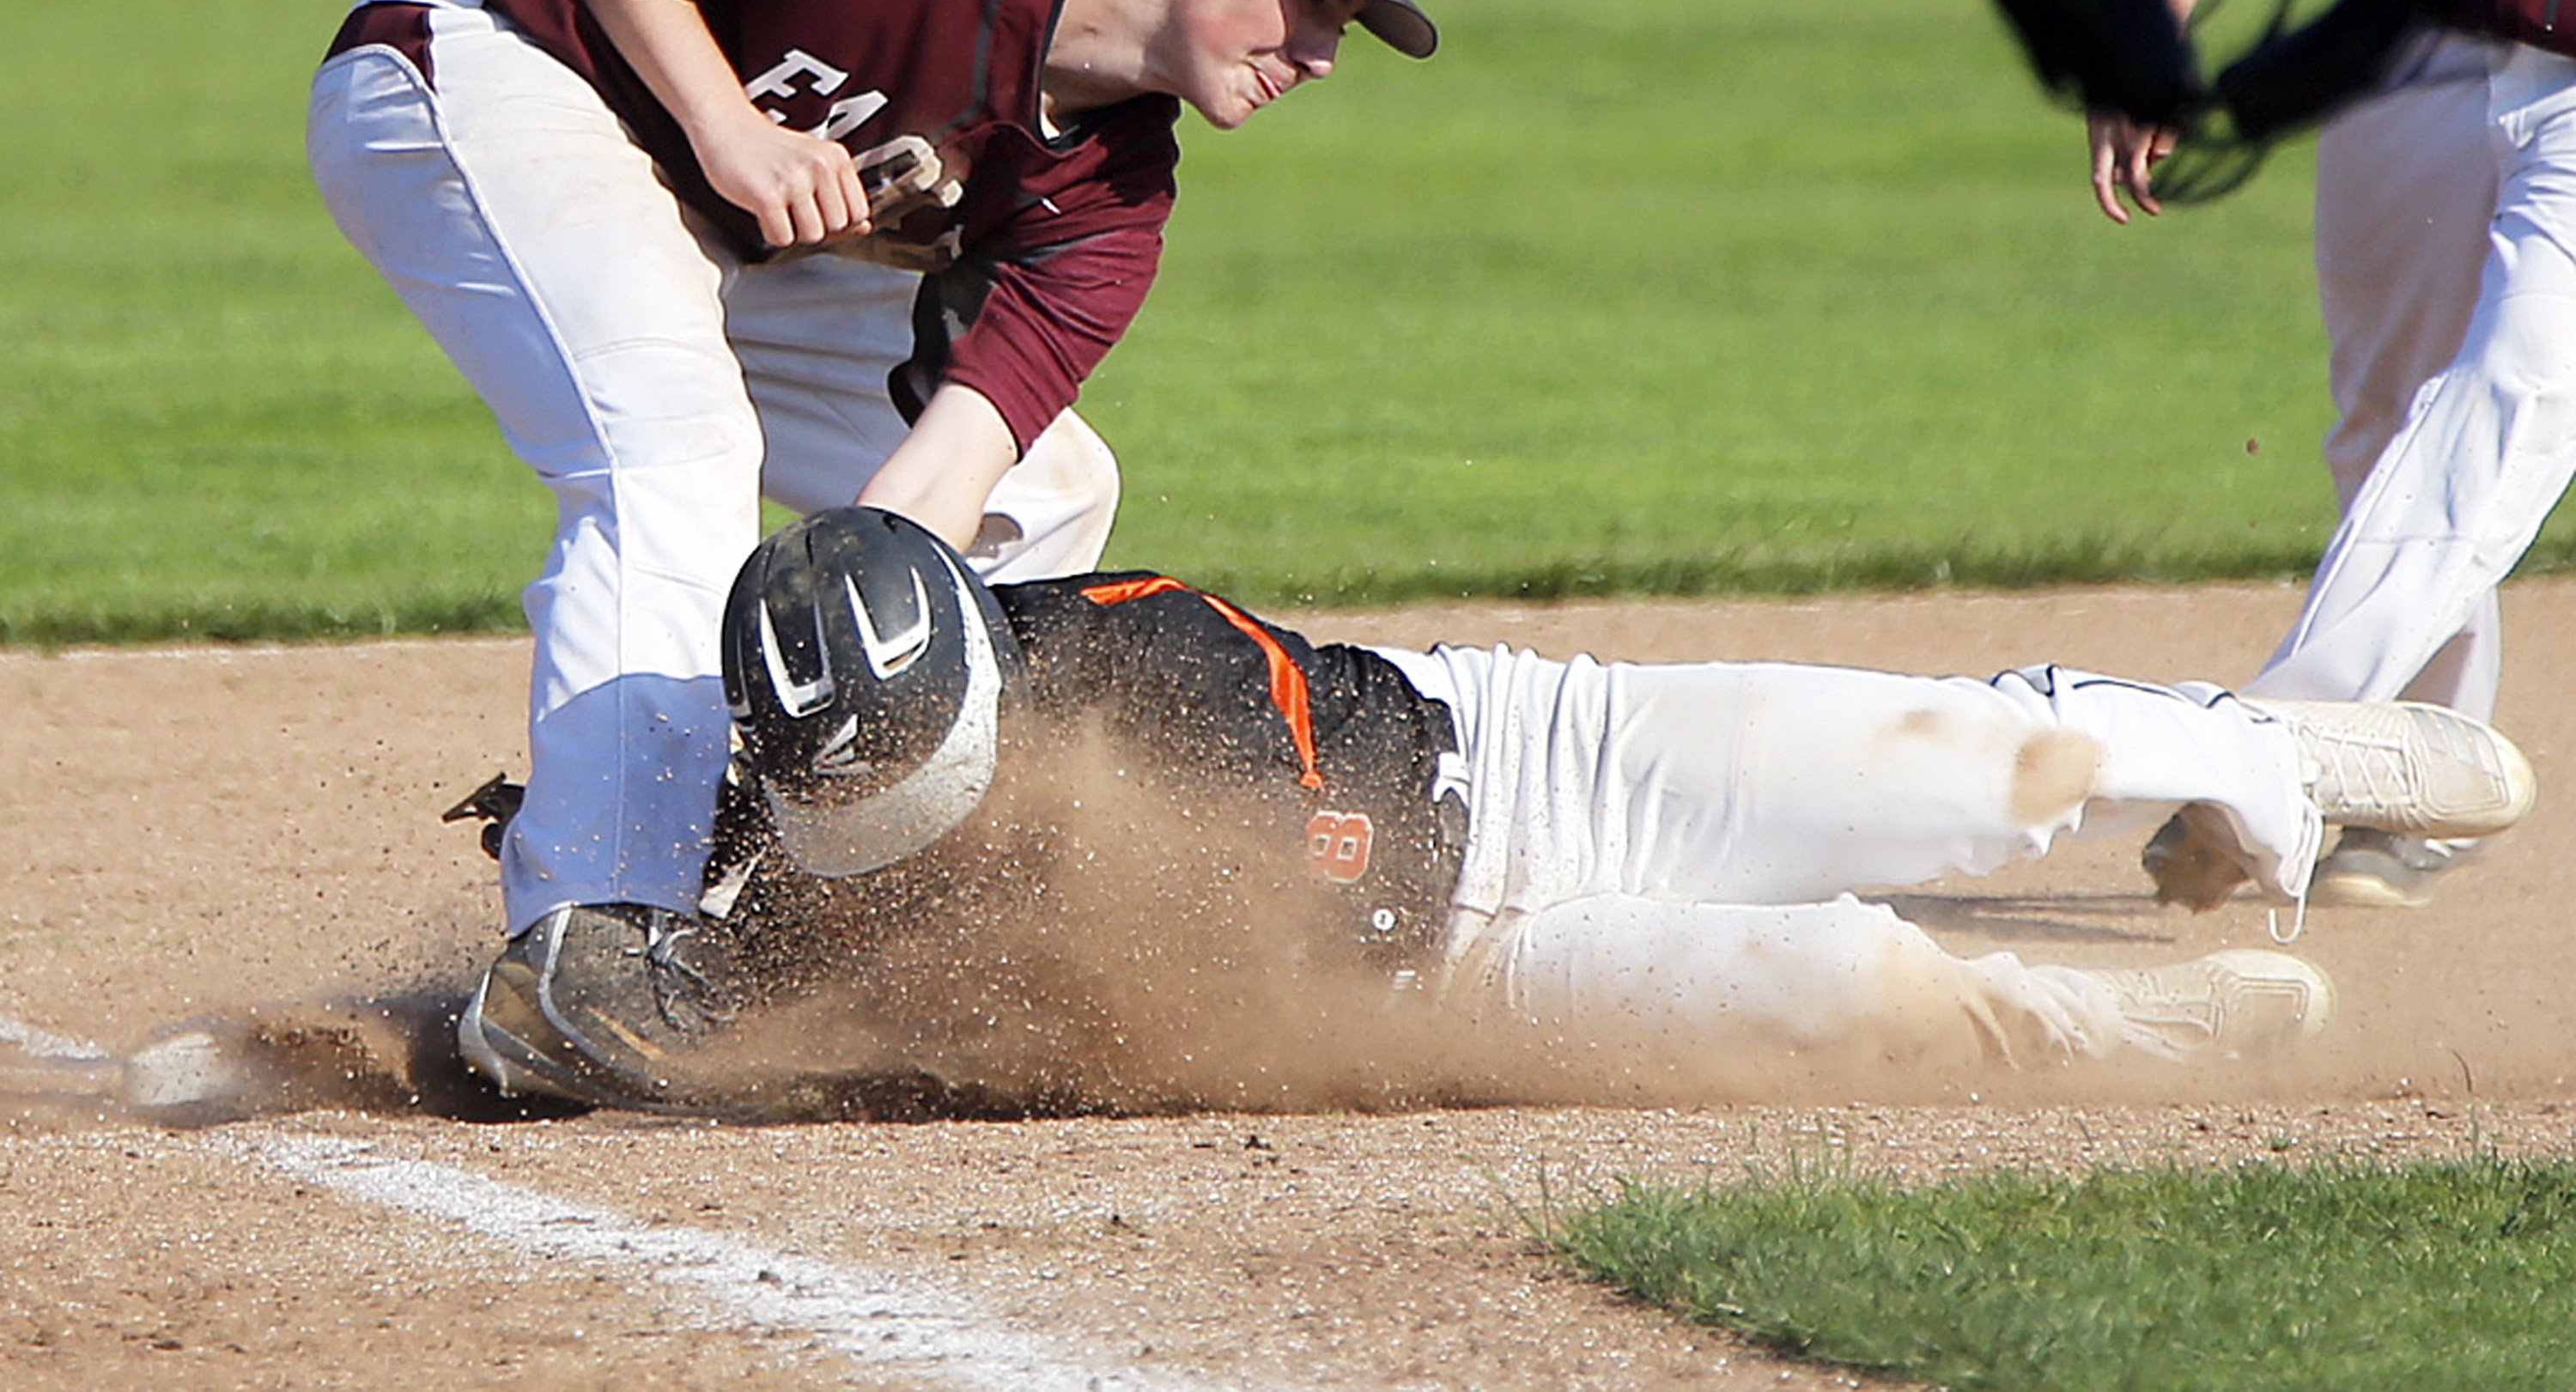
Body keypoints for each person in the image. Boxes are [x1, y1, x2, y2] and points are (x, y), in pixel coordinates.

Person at [305, 0, 1437, 1031]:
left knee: (1045, 495)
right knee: (672, 444)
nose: (1321, 55)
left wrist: (823, 694)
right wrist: (726, 125)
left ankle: (803, 901)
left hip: (715, 223)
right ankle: (596, 941)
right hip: (491, 57)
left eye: (1343, 23)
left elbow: (925, 500)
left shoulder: (1109, 201)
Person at [452, 508, 2536, 1114]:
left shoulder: (1137, 655)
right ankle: (2107, 1030)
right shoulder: (799, 808)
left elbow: (1268, 905)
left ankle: (2281, 759)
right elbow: (657, 980)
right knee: (1842, 998)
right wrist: (596, 995)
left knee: (1971, 768)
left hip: (1532, 761)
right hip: (1464, 987)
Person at [2087, 0, 2574, 905]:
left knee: (2512, 388)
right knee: (2388, 422)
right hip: (2409, 46)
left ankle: (2277, 745)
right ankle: (2413, 779)